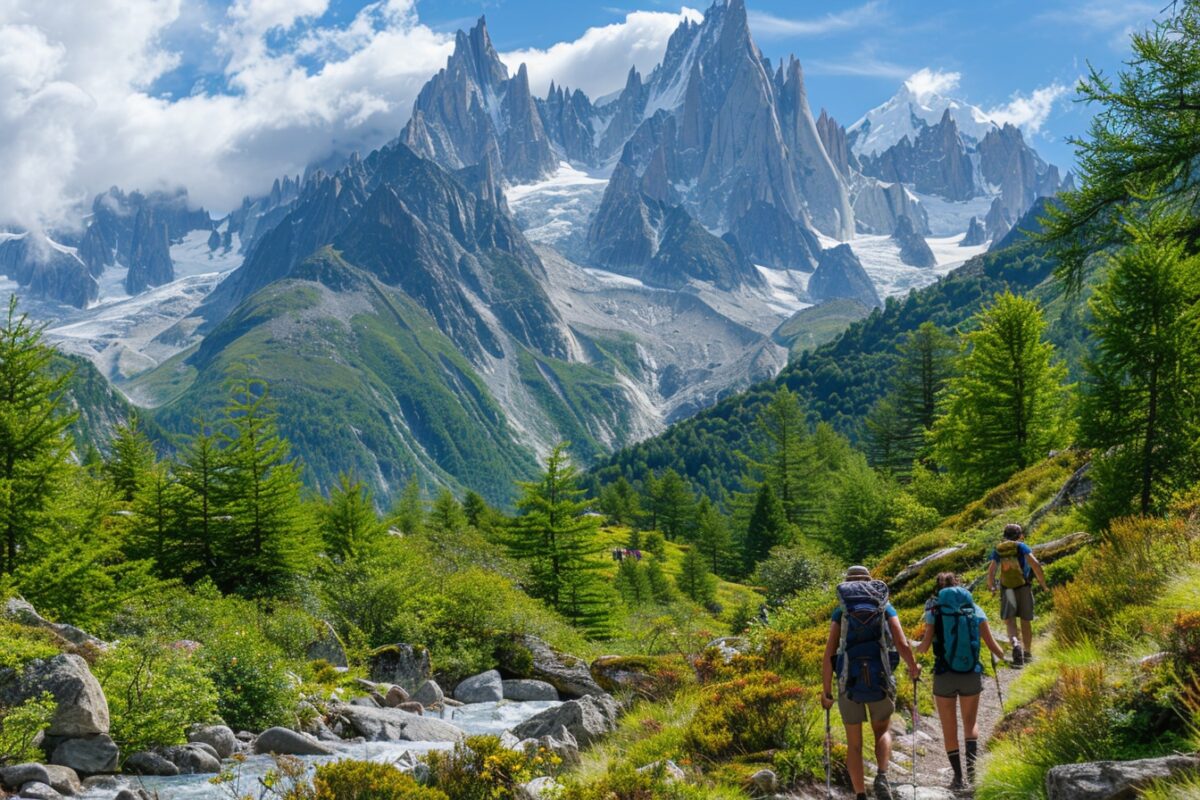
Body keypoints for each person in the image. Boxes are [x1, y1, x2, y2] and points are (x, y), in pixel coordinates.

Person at [821, 565, 920, 800]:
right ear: (869, 582)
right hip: (881, 679)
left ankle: (860, 795)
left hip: (848, 682)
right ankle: (882, 776)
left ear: (847, 585)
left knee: (854, 743)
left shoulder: (841, 611)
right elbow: (901, 642)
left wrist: (826, 691)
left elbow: (829, 653)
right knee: (882, 730)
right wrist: (914, 668)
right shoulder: (885, 607)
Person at [916, 572, 1007, 791]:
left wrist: (912, 650)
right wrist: (1003, 654)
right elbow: (997, 649)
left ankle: (957, 778)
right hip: (971, 673)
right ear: (960, 585)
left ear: (939, 590)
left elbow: (925, 646)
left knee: (949, 727)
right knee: (970, 723)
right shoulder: (974, 609)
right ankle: (973, 773)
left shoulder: (934, 611)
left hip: (944, 674)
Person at [986, 522, 1048, 666]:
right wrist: (1043, 584)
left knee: (1010, 621)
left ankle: (1015, 644)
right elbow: (1035, 564)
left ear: (1004, 535)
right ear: (1020, 535)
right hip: (1024, 586)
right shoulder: (1021, 546)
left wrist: (992, 586)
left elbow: (991, 570)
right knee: (1025, 620)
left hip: (1007, 589)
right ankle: (1027, 653)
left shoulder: (999, 549)